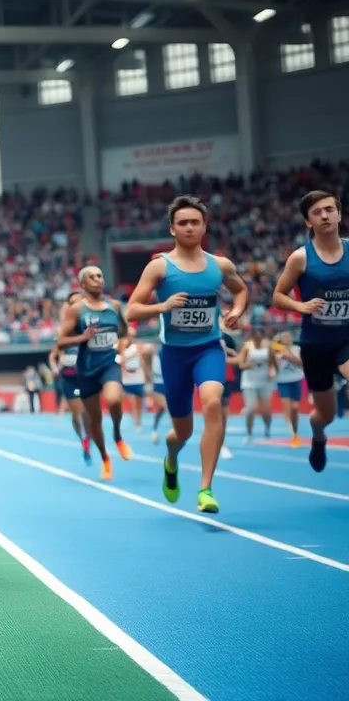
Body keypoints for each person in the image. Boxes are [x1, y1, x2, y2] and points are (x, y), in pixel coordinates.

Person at [126, 195, 247, 513]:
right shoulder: (160, 267)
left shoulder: (220, 266)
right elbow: (132, 311)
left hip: (209, 349)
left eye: (195, 222)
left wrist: (236, 310)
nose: (190, 227)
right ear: (172, 229)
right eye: (183, 223)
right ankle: (171, 459)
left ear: (205, 226)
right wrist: (162, 306)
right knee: (182, 431)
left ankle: (205, 488)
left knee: (212, 404)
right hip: (175, 356)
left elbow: (242, 289)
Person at [272, 190, 349, 473]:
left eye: (330, 209)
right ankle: (318, 437)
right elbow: (277, 296)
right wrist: (300, 305)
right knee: (324, 415)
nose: (325, 215)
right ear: (308, 222)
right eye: (317, 212)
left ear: (339, 214)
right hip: (316, 345)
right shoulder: (300, 258)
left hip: (346, 339)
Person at [56, 266, 129, 482]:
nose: (98, 279)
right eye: (93, 276)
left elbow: (122, 332)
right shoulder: (77, 310)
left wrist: (121, 319)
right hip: (87, 370)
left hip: (109, 364)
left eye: (100, 275)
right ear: (83, 284)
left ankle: (117, 433)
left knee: (114, 399)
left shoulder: (114, 306)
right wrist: (82, 337)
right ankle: (105, 458)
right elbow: (61, 341)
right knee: (94, 420)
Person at [49, 291, 90, 463]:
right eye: (72, 303)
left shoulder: (90, 325)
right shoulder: (64, 330)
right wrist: (54, 367)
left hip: (86, 374)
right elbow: (53, 355)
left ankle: (88, 439)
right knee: (77, 413)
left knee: (87, 412)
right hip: (69, 375)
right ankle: (83, 440)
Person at [237, 325, 276, 445]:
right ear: (252, 337)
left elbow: (272, 363)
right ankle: (249, 433)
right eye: (256, 338)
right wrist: (250, 364)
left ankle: (267, 430)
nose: (258, 340)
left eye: (260, 337)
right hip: (249, 382)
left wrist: (272, 371)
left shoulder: (268, 346)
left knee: (266, 410)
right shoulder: (247, 347)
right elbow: (241, 365)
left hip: (264, 381)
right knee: (250, 409)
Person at [272, 331, 305, 447]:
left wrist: (288, 355)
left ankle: (295, 430)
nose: (287, 338)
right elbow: (274, 367)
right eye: (285, 337)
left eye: (289, 336)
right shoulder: (276, 351)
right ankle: (292, 432)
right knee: (288, 407)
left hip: (296, 379)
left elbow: (301, 363)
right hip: (282, 381)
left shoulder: (297, 349)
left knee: (295, 407)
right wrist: (277, 356)